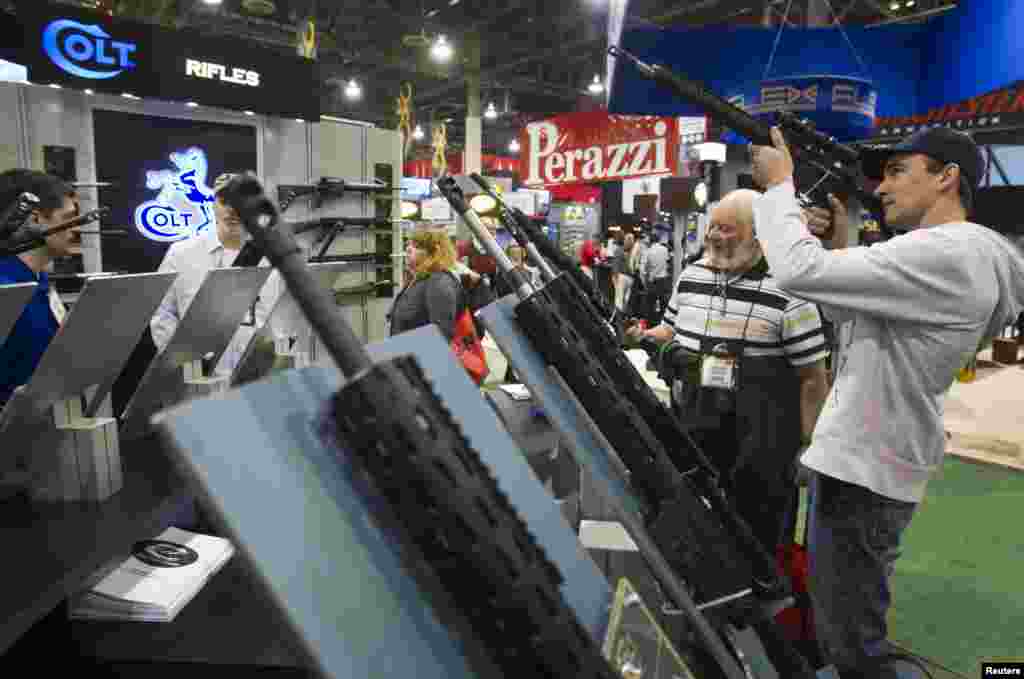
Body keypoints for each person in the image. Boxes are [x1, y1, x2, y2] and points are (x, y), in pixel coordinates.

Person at [750, 126, 1024, 675]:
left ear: (947, 178)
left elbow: (799, 273)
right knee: (848, 623)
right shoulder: (953, 256)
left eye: (899, 171)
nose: (881, 187)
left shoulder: (949, 253)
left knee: (851, 640)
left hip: (867, 465)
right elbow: (849, 316)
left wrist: (777, 189)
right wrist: (840, 247)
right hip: (872, 457)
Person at [628, 189, 831, 555]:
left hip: (762, 445)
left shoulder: (790, 291)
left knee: (759, 538)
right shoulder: (692, 275)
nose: (715, 237)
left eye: (728, 229)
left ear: (759, 234)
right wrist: (641, 335)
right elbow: (669, 329)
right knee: (693, 528)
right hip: (693, 425)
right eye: (713, 228)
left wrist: (808, 445)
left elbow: (813, 377)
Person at [150, 172, 280, 376]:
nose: (232, 209)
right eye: (224, 200)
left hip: (254, 376)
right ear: (213, 204)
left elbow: (279, 318)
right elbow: (161, 313)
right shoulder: (182, 253)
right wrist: (183, 363)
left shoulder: (270, 256)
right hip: (196, 380)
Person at [0, 170, 79, 409]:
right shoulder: (6, 287)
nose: (75, 229)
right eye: (69, 218)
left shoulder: (40, 281)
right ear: (35, 220)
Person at [389, 229, 461, 342]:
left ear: (435, 252)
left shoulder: (438, 282)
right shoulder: (417, 279)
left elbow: (440, 338)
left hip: (421, 358)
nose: (408, 249)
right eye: (409, 245)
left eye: (417, 246)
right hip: (403, 356)